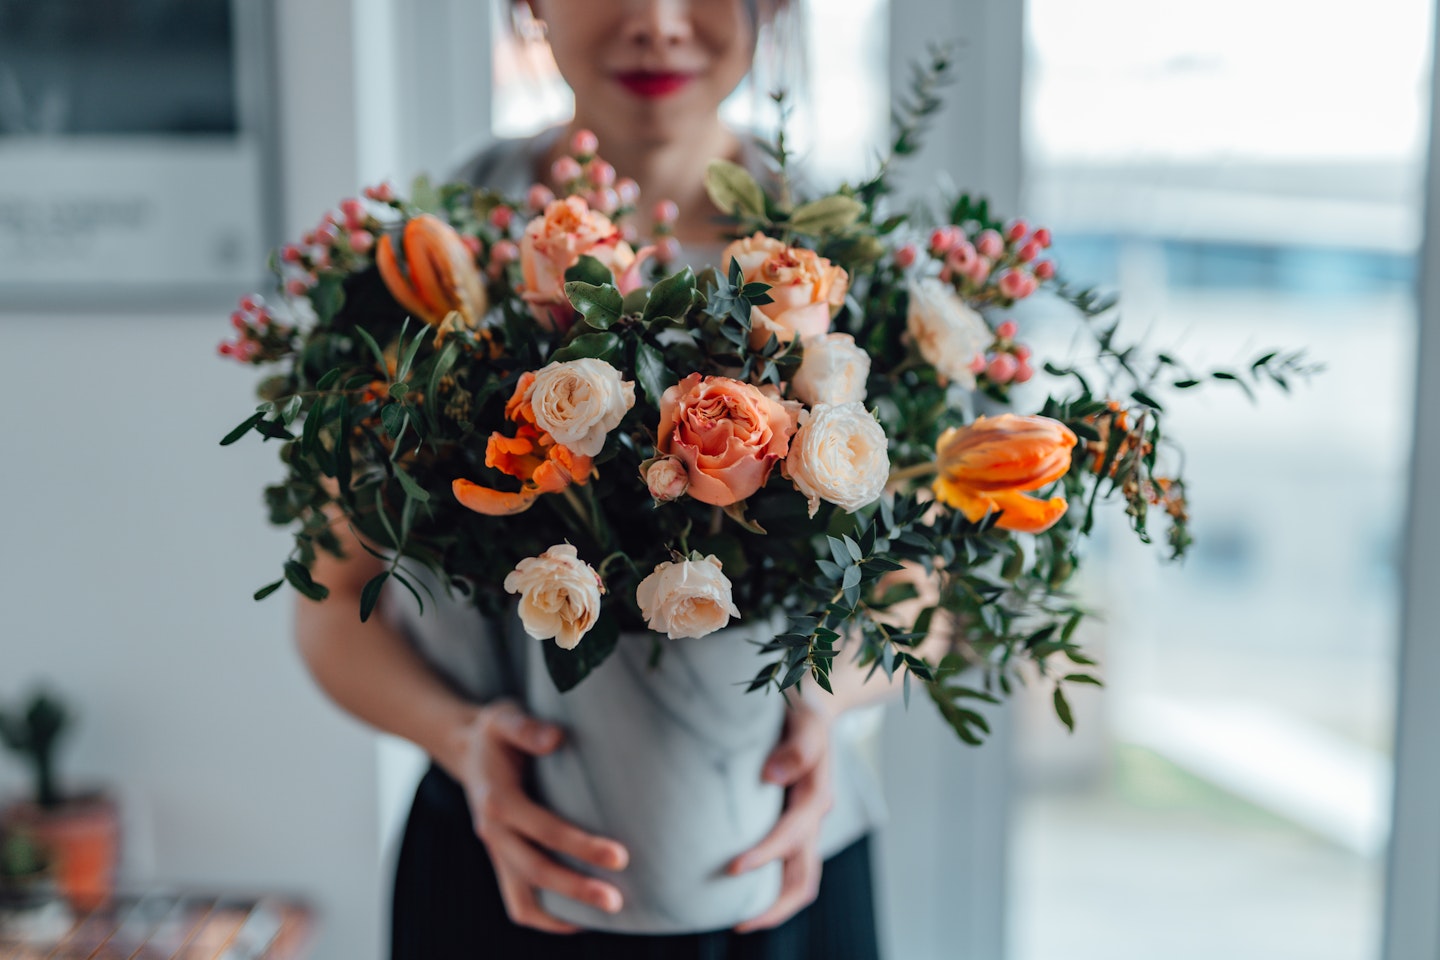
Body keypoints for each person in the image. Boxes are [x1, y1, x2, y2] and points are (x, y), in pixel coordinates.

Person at [295, 2, 941, 956]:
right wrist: (461, 740)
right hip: (501, 865)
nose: (659, 23)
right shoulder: (417, 269)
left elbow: (930, 581)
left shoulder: (848, 262)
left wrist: (821, 699)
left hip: (777, 862)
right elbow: (329, 601)